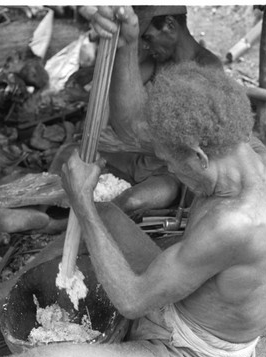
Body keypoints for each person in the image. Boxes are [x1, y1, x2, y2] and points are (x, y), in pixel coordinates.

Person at [0, 6, 266, 357]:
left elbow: (132, 300)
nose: (169, 171)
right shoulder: (242, 155)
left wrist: (83, 201)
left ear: (197, 155)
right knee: (107, 217)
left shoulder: (239, 223)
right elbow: (134, 127)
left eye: (172, 165)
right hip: (175, 304)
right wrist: (126, 42)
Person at [79, 5, 224, 217]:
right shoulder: (158, 61)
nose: (145, 46)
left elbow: (193, 148)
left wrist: (126, 142)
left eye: (147, 37)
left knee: (132, 201)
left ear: (169, 25)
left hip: (175, 172)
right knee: (73, 157)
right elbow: (119, 94)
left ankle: (62, 226)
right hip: (144, 158)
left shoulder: (208, 69)